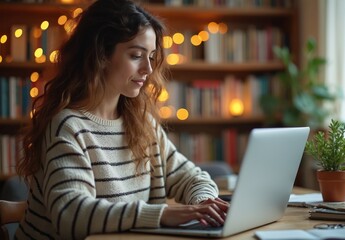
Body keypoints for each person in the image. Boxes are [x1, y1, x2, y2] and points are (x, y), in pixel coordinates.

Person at [15, 0, 229, 239]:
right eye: (136, 55)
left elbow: (191, 177)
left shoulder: (142, 123)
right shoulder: (68, 126)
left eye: (151, 57)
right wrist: (160, 214)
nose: (148, 69)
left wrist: (204, 203)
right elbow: (72, 215)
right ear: (101, 55)